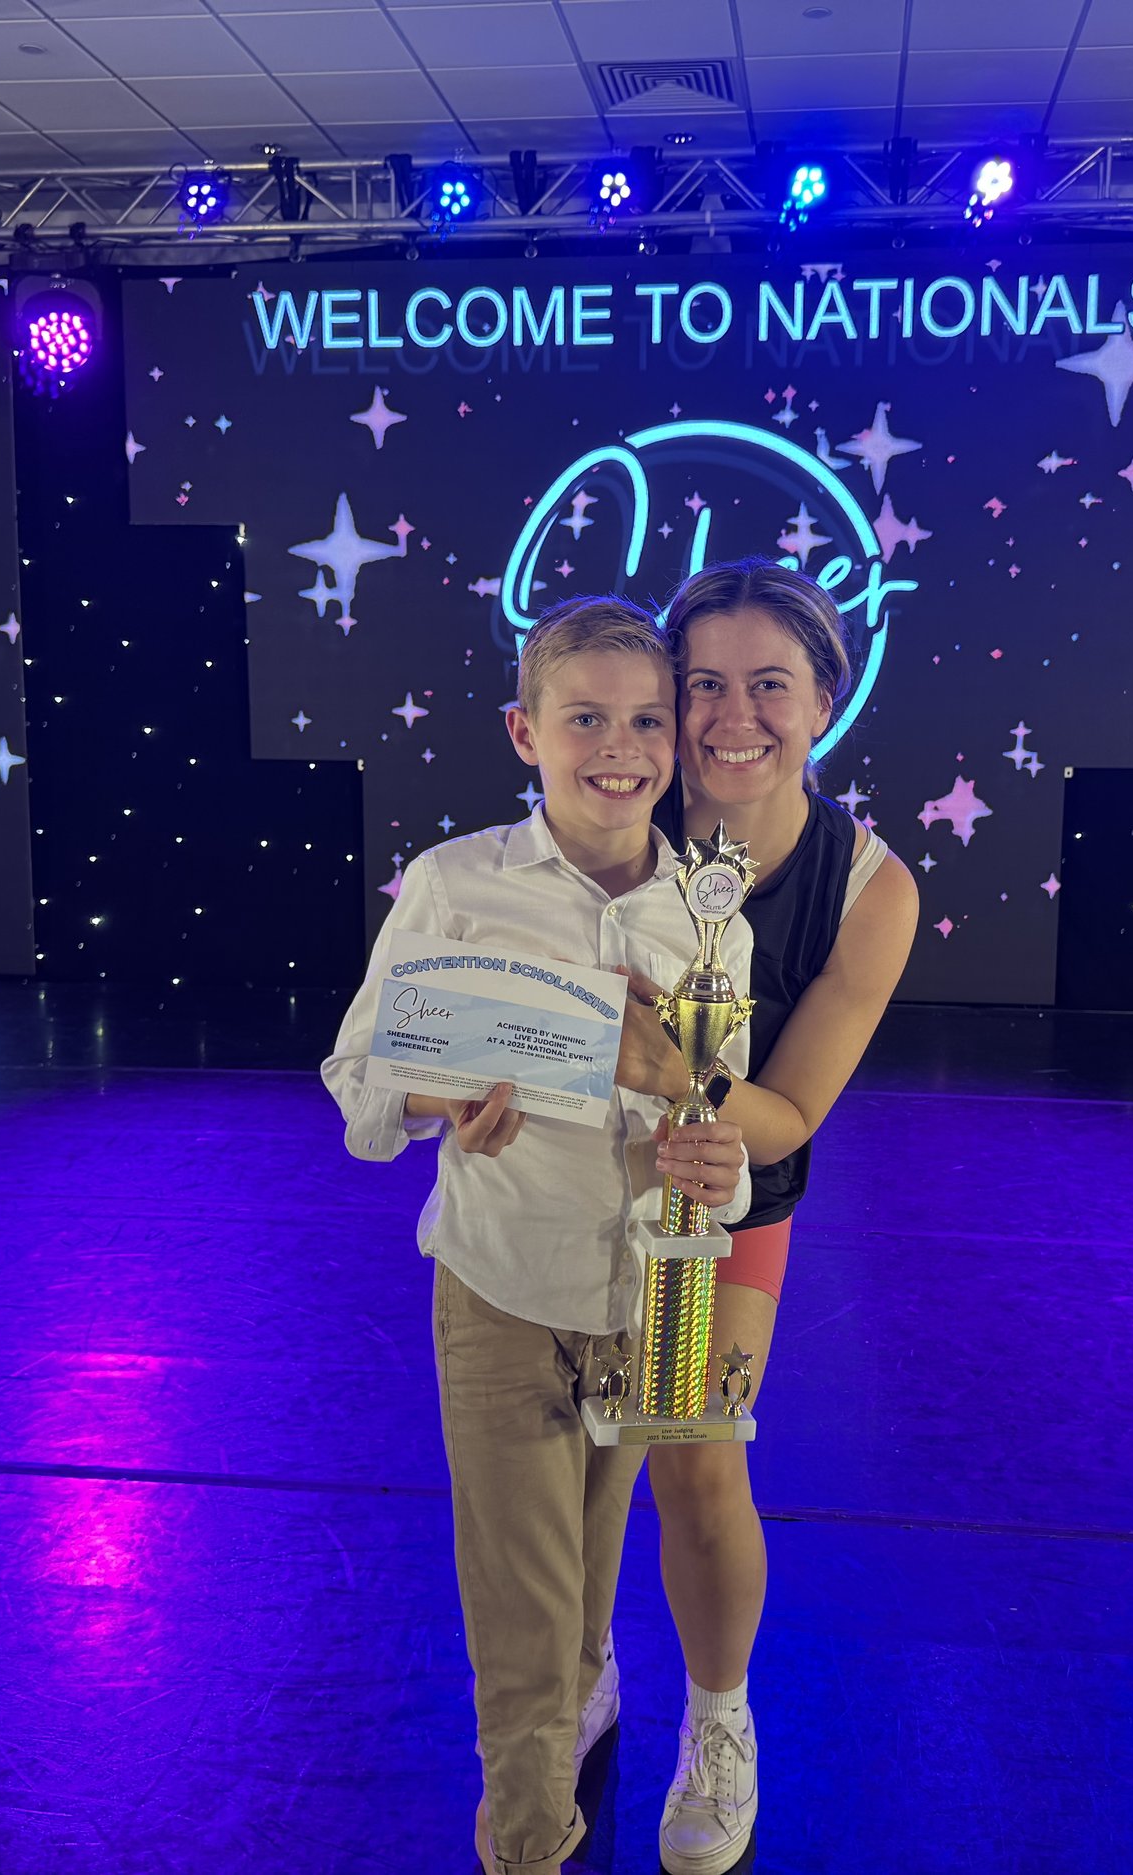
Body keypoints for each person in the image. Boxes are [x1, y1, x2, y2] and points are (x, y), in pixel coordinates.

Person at [320, 595, 753, 1875]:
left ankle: (579, 1709)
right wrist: (431, 1101)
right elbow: (358, 1077)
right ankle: (526, 1838)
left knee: (588, 1576)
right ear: (524, 731)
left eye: (643, 720)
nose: (616, 747)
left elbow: (717, 1133)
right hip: (501, 1288)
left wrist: (708, 1153)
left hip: (654, 1294)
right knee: (520, 1605)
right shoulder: (457, 885)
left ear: (677, 738)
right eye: (583, 719)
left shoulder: (707, 918)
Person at [616, 558, 920, 1875]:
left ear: (824, 701)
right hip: (571, 1186)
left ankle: (719, 1716)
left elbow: (793, 1102)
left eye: (769, 684)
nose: (733, 715)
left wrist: (679, 1098)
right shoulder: (599, 818)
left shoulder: (869, 886)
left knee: (688, 1447)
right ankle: (571, 1678)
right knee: (559, 1464)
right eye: (703, 686)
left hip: (720, 1201)